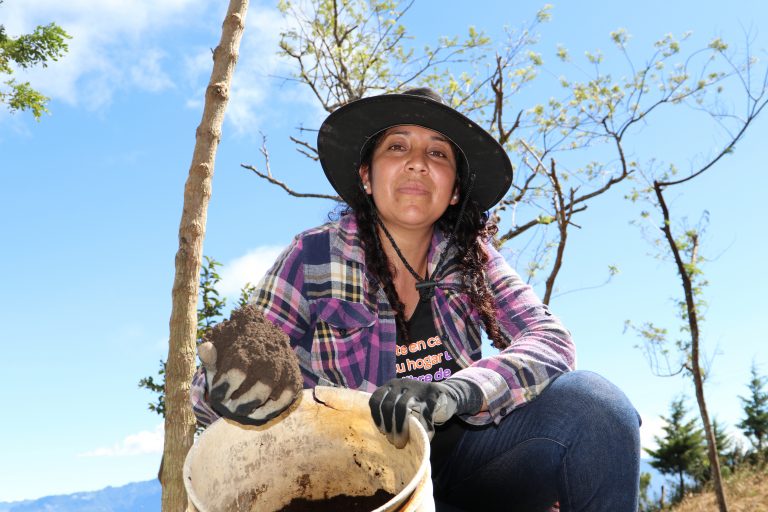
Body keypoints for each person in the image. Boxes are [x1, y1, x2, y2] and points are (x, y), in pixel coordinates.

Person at [190, 87, 641, 511]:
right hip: (351, 480)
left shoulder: (471, 259)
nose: (418, 163)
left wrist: (457, 391)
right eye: (397, 147)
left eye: (438, 154)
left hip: (465, 467)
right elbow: (221, 382)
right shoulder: (314, 257)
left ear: (455, 190)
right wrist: (237, 383)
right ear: (367, 177)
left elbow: (550, 339)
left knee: (596, 407)